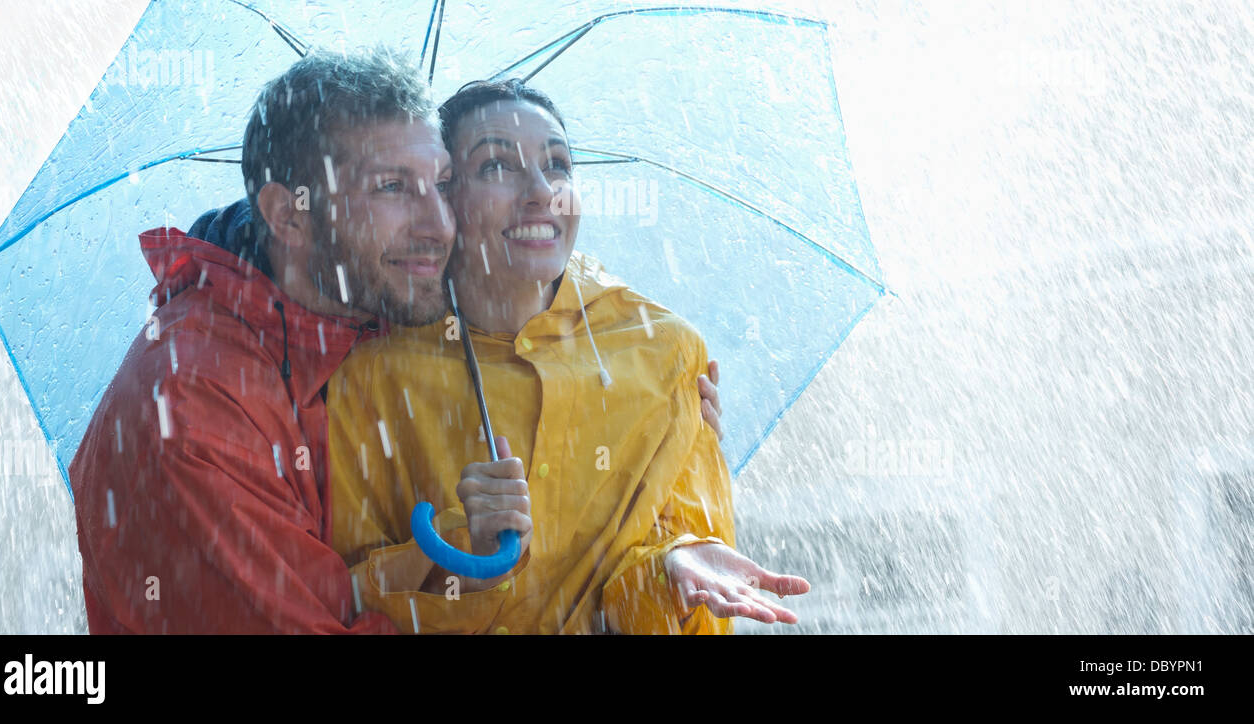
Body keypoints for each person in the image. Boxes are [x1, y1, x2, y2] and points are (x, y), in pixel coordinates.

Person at [325, 78, 809, 634]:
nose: (540, 191)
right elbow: (343, 597)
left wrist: (671, 570)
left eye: (557, 164)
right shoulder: (371, 375)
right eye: (496, 167)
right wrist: (464, 552)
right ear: (444, 199)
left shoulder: (665, 351)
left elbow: (670, 604)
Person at [69, 48, 458, 633]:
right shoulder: (189, 406)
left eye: (443, 185)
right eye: (393, 188)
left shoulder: (353, 323)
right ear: (288, 215)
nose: (440, 225)